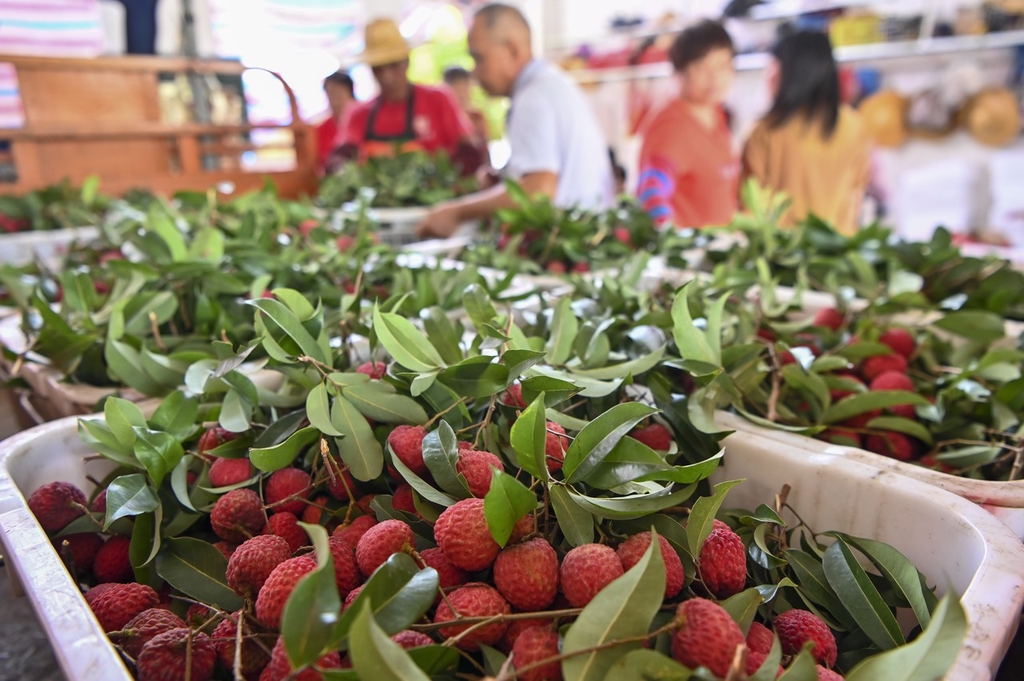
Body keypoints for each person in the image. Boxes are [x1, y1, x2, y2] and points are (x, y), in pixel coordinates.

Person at [417, 3, 614, 238]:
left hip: (572, 243)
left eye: (479, 58)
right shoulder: (550, 84)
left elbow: (536, 192)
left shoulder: (533, 98)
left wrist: (457, 212)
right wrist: (504, 177)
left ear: (512, 50)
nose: (475, 72)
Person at [741, 31, 871, 235]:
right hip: (839, 251)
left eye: (775, 67)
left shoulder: (767, 131)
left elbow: (750, 205)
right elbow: (857, 195)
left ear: (795, 72)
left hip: (783, 254)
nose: (770, 76)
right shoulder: (853, 125)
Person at [333, 18, 481, 172]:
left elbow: (468, 149)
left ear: (407, 61)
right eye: (378, 68)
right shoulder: (358, 114)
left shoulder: (437, 99)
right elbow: (342, 155)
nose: (387, 77)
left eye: (393, 65)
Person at [636, 20, 738, 228]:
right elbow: (651, 192)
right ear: (680, 72)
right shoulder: (671, 125)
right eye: (701, 68)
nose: (714, 78)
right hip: (691, 255)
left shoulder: (717, 115)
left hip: (720, 249)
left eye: (722, 66)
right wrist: (675, 240)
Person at [443, 65, 491, 166]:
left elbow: (484, 148)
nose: (462, 95)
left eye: (465, 89)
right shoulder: (442, 117)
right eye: (458, 90)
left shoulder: (477, 116)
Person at [316, 71, 355, 173]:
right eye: (330, 93)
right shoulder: (320, 130)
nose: (334, 99)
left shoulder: (363, 120)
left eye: (339, 93)